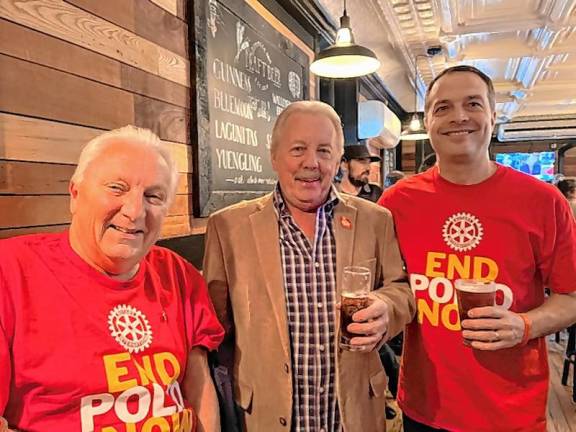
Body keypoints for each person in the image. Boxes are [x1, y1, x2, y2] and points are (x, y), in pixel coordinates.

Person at [378, 65, 576, 431]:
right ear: (428, 121)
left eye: (473, 104)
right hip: (426, 406)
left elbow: (571, 296)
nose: (459, 117)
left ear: (494, 115)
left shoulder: (542, 200)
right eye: (443, 108)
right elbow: (389, 288)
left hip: (509, 409)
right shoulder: (397, 202)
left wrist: (525, 324)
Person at [203, 100, 415, 431]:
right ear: (274, 156)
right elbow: (217, 327)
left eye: (324, 151)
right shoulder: (228, 227)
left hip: (353, 412)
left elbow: (401, 289)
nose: (311, 162)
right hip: (263, 415)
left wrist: (387, 308)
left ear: (339, 161)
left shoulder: (375, 220)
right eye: (298, 149)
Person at [0, 126, 224, 431]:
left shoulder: (178, 274)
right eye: (116, 188)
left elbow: (198, 389)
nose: (134, 211)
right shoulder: (11, 271)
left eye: (153, 196)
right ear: (75, 194)